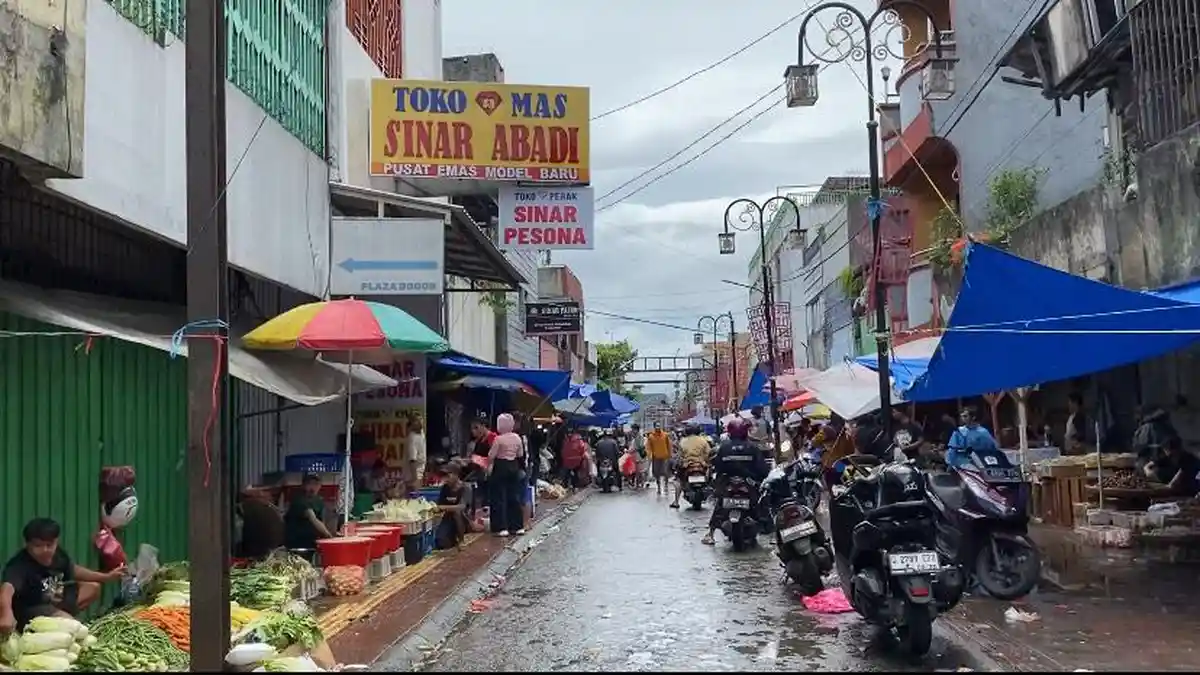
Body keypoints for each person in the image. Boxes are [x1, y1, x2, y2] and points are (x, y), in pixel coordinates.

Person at [0, 518, 125, 633]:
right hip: (32, 608)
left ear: (56, 541)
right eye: (38, 546)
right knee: (73, 628)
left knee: (93, 587)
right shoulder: (19, 565)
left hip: (54, 598)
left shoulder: (57, 555)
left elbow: (73, 570)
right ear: (28, 545)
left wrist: (106, 577)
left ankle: (60, 618)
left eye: (49, 545)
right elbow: (7, 589)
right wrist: (6, 614)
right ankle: (55, 622)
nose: (45, 550)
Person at [702, 418, 771, 545]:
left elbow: (718, 466)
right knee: (762, 502)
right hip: (749, 482)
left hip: (728, 482)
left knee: (719, 505)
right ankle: (770, 532)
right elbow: (762, 469)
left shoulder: (724, 447)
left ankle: (710, 533)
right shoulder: (752, 447)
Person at [487, 413, 527, 537]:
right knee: (514, 497)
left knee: (499, 498)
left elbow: (491, 455)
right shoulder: (517, 437)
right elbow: (520, 454)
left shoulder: (498, 439)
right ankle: (518, 526)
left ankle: (502, 528)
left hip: (500, 467)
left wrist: (489, 467)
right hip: (514, 466)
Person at [284, 474, 334, 552]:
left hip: (312, 541)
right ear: (303, 485)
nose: (312, 487)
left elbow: (322, 520)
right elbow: (313, 518)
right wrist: (329, 537)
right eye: (309, 484)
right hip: (297, 543)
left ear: (320, 486)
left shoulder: (318, 500)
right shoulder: (299, 500)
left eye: (316, 484)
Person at [434, 460, 475, 549]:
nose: (446, 479)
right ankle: (451, 536)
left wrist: (442, 507)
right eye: (445, 476)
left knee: (457, 513)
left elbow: (461, 507)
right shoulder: (445, 488)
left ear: (456, 475)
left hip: (464, 519)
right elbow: (439, 505)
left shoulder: (466, 488)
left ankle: (461, 540)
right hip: (449, 519)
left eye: (448, 476)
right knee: (441, 543)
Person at [671, 424, 713, 509]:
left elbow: (680, 455)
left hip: (687, 465)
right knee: (710, 476)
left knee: (678, 480)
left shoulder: (683, 441)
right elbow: (709, 453)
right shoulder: (703, 440)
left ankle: (676, 502)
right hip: (701, 464)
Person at [237, 487, 285, 560]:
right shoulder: (269, 510)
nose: (269, 498)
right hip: (270, 550)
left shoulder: (248, 508)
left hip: (255, 551)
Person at [646, 422, 672, 495]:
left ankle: (666, 485)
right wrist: (650, 455)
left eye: (659, 426)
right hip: (656, 457)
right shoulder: (651, 436)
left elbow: (669, 445)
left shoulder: (665, 435)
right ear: (654, 427)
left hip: (665, 457)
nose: (658, 427)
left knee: (666, 472)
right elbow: (648, 447)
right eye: (656, 426)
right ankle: (659, 487)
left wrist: (670, 454)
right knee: (656, 473)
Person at [406, 416, 428, 492]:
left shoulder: (421, 433)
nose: (420, 422)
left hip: (421, 471)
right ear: (412, 424)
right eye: (417, 421)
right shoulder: (412, 438)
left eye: (421, 420)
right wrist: (415, 479)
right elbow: (412, 460)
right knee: (415, 497)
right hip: (414, 473)